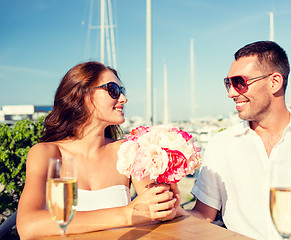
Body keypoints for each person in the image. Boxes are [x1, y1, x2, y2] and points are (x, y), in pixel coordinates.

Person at [187, 41, 291, 239]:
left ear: (274, 82)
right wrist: (172, 207)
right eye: (228, 83)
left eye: (239, 82)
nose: (231, 93)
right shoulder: (221, 145)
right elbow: (203, 215)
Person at [16, 61, 180, 240]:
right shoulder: (47, 153)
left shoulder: (128, 151)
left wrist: (167, 202)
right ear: (82, 95)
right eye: (113, 90)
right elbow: (28, 225)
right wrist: (126, 214)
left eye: (121, 91)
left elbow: (156, 210)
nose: (124, 99)